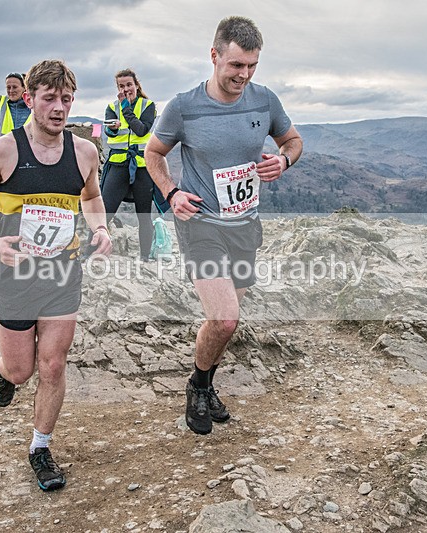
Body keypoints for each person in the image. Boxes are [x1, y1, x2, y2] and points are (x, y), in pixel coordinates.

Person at [144, 16, 303, 435]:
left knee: (224, 321)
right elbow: (153, 153)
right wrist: (172, 193)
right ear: (214, 56)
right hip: (202, 224)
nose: (244, 75)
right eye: (236, 65)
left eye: (251, 66)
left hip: (245, 223)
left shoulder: (264, 100)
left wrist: (283, 159)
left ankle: (205, 383)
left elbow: (294, 140)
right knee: (226, 317)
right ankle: (197, 387)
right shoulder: (184, 106)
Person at [0, 60, 112, 490]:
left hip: (63, 275)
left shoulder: (84, 152)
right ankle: (4, 371)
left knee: (53, 364)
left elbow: (93, 196)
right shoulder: (3, 151)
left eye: (66, 99)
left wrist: (99, 227)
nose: (59, 108)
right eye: (49, 99)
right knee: (22, 369)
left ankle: (40, 447)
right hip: (15, 279)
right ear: (29, 101)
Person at [101, 69, 157, 261]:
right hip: (118, 165)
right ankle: (91, 254)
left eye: (128, 85)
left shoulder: (148, 105)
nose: (125, 89)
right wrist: (111, 129)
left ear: (136, 85)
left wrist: (126, 108)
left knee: (144, 215)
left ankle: (144, 258)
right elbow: (110, 133)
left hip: (142, 167)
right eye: (121, 86)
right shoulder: (111, 106)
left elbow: (141, 130)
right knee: (105, 211)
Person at [0, 72, 32, 146]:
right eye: (8, 87)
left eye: (15, 87)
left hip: (29, 156)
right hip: (4, 156)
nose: (11, 91)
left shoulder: (33, 108)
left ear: (24, 88)